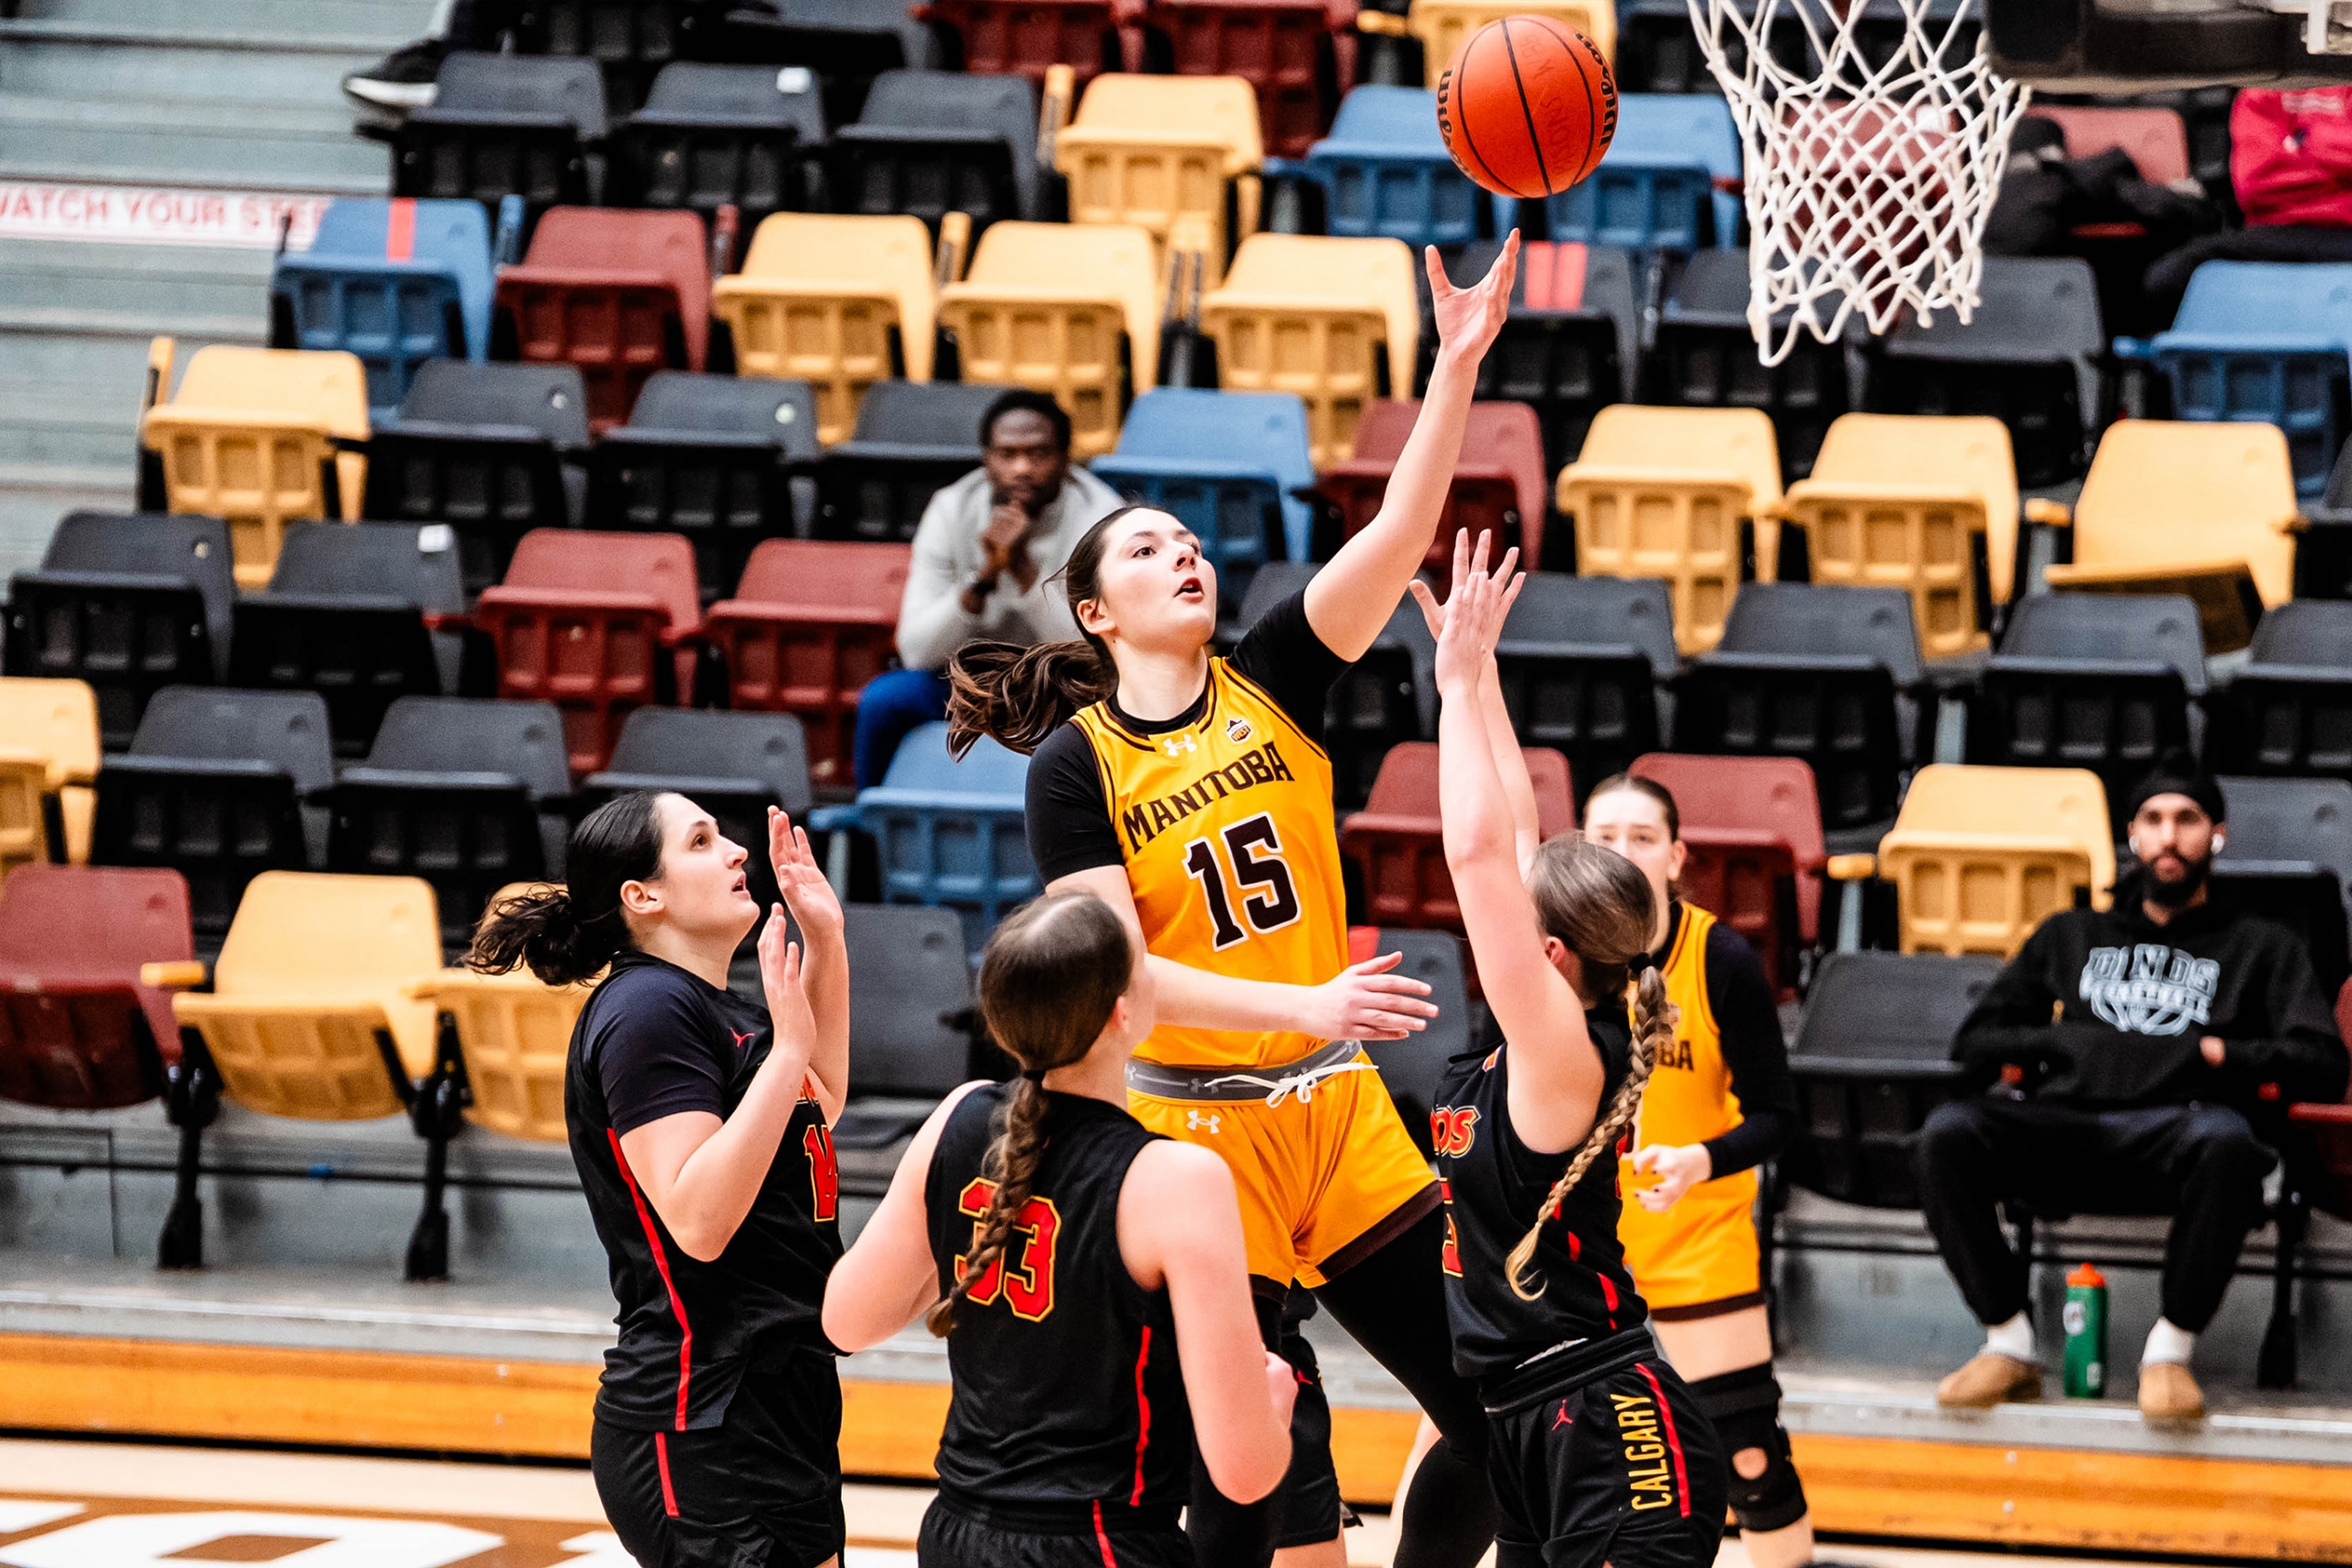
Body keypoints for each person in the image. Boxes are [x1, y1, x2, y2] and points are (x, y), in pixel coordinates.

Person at [946, 233, 1522, 1568]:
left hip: (1338, 1112)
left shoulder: (1274, 669)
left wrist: (1456, 365)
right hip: (1192, 1140)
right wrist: (1305, 995)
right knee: (1246, 1463)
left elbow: (1403, 531)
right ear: (1098, 609)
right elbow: (1125, 982)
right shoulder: (1075, 770)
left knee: (1493, 1402)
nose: (1186, 554)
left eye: (1193, 541)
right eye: (1151, 550)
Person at [821, 891, 1297, 1567]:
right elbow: (1243, 1472)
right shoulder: (1176, 1178)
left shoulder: (957, 1118)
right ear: (1121, 1012)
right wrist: (1272, 1407)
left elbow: (845, 1321)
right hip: (1100, 1543)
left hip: (957, 1532)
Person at [1419, 532, 1726, 1568]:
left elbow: (1474, 854)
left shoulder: (1561, 1053)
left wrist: (1453, 688)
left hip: (1610, 1434)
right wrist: (1484, 672)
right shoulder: (1551, 1023)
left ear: (1547, 952)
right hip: (1532, 1419)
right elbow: (1508, 836)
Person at [469, 793, 851, 1568]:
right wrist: (785, 1058)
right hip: (700, 1410)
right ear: (643, 896)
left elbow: (819, 1097)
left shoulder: (715, 1005)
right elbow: (697, 1217)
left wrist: (827, 940)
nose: (739, 850)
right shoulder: (645, 1007)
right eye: (704, 841)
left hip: (777, 1391)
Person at [1925, 750, 2348, 1421]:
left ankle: (2169, 1353)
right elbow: (1975, 1042)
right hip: (2064, 1126)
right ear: (2132, 835)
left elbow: (2323, 1061)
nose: (2168, 835)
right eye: (2153, 819)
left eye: (2187, 819)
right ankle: (2007, 1342)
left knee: (2230, 1143)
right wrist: (2062, 1041)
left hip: (2178, 1130)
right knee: (1948, 1134)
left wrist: (2221, 1052)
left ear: (2217, 834)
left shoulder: (2260, 944)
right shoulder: (2073, 933)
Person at [1581, 773, 1812, 1567]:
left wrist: (1698, 1160)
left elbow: (1781, 1117)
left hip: (1694, 1235)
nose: (1621, 850)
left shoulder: (1719, 955)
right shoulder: (1556, 950)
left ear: (1676, 856)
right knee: (1535, 1459)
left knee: (1750, 1459)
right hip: (1580, 1250)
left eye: (1641, 836)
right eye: (1602, 835)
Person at [853, 388, 1125, 789]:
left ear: (1067, 459)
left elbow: (1088, 650)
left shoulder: (1102, 519)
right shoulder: (952, 509)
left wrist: (1021, 568)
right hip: (969, 683)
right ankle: (869, 836)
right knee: (885, 701)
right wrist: (983, 579)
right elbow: (916, 651)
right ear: (986, 459)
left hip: (1063, 688)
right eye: (1007, 454)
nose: (1022, 469)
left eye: (1039, 454)